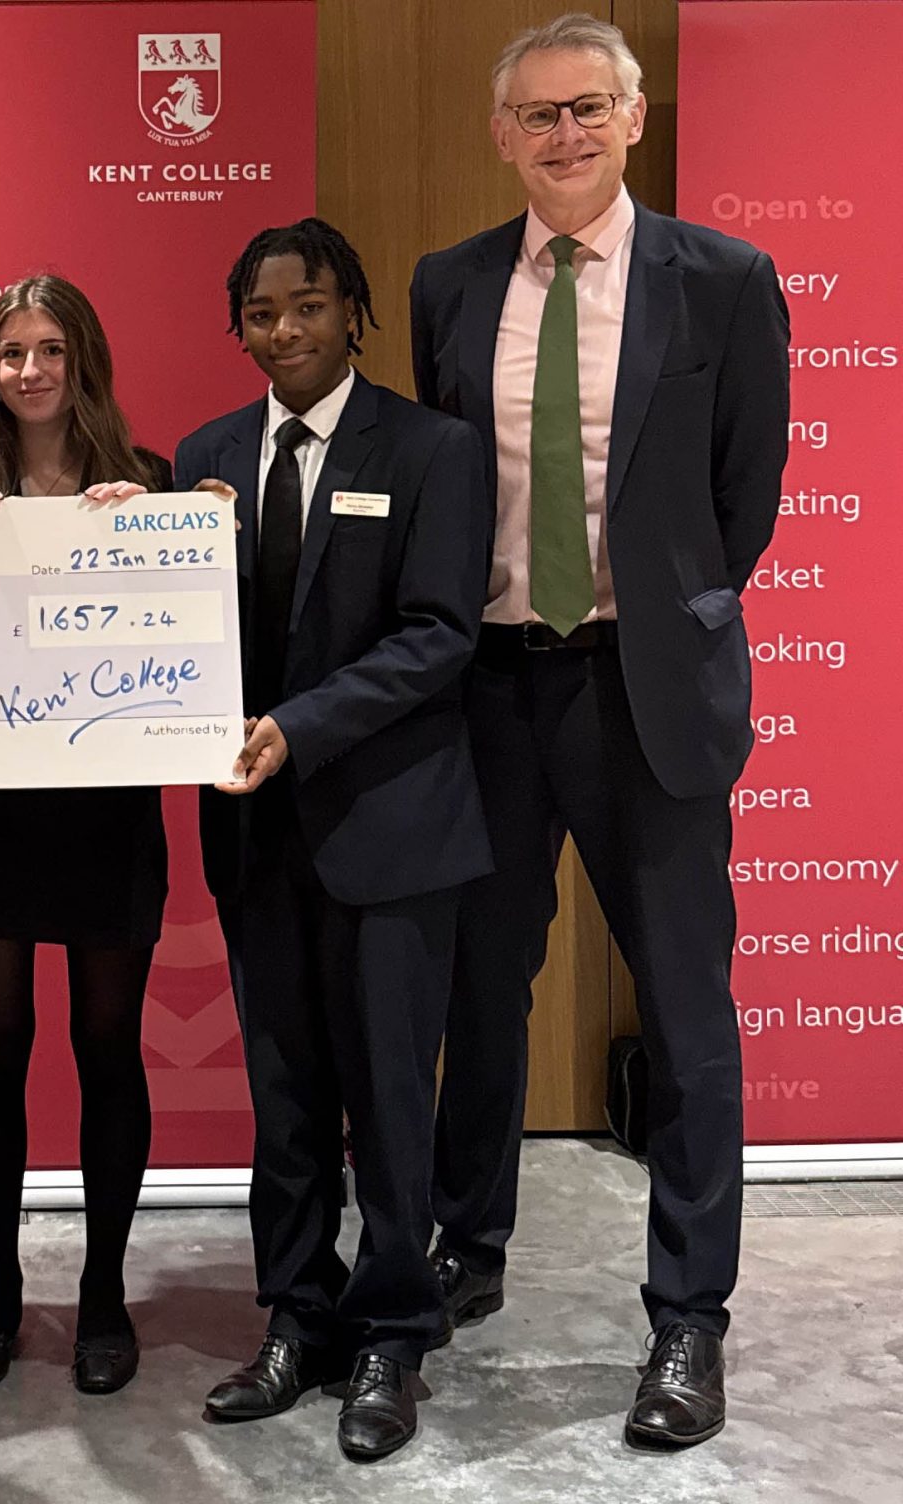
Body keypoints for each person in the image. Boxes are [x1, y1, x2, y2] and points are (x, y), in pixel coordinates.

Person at [409, 14, 789, 1449]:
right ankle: (469, 1248)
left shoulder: (726, 282)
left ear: (635, 119)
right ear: (502, 134)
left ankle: (690, 1321)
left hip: (649, 693)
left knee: (688, 1017)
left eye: (589, 110)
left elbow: (739, 500)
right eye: (536, 115)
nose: (563, 136)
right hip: (491, 689)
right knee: (479, 992)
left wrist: (664, 620)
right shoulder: (450, 285)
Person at [181, 219, 492, 1460]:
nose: (283, 332)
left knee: (385, 1101)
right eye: (258, 315)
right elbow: (146, 625)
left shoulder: (430, 450)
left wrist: (295, 729)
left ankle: (392, 1335)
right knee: (285, 1097)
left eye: (305, 306)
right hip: (257, 842)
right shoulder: (202, 459)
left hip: (393, 831)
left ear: (350, 309)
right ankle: (294, 1317)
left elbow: (436, 635)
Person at [0, 274, 169, 1395]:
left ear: (84, 363)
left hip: (108, 813)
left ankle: (105, 1292)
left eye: (51, 350)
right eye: (12, 351)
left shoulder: (151, 485)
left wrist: (192, 527)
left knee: (108, 1050)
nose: (30, 370)